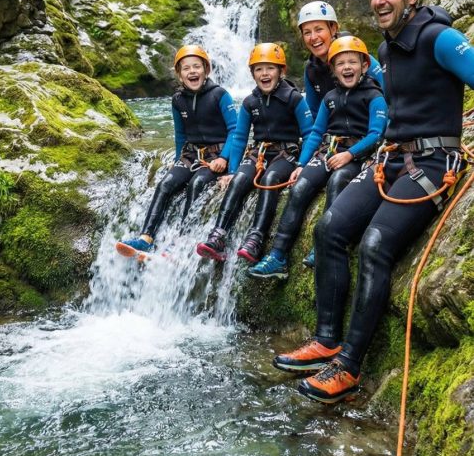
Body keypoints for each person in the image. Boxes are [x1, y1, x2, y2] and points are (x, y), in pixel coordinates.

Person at [273, 0, 474, 404]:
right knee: (329, 228)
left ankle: (348, 366)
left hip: (433, 162)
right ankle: (326, 340)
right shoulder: (385, 49)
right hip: (392, 159)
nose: (379, 1)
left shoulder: (440, 38)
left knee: (375, 244)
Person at [248, 35, 387, 279]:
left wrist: (350, 154)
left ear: (364, 66)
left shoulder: (374, 96)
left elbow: (376, 134)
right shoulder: (330, 98)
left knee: (338, 180)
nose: (346, 68)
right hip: (329, 151)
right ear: (332, 69)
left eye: (352, 62)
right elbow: (316, 133)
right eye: (340, 63)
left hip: (357, 155)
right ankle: (278, 255)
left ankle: (322, 244)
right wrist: (301, 164)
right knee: (300, 186)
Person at [195, 43, 313, 263]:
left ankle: (256, 237)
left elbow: (309, 134)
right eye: (259, 69)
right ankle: (218, 235)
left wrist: (302, 165)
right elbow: (240, 137)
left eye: (270, 68)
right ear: (252, 74)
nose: (264, 74)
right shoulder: (250, 102)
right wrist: (232, 170)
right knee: (240, 179)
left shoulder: (294, 99)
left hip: (286, 154)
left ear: (281, 71)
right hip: (259, 153)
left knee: (270, 178)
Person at [116, 45, 237, 257]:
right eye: (186, 68)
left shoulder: (220, 95)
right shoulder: (177, 100)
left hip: (215, 156)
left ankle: (180, 243)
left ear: (206, 70)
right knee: (165, 184)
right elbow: (180, 134)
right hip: (190, 155)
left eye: (197, 66)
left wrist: (226, 160)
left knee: (196, 184)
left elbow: (235, 130)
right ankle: (146, 238)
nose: (192, 71)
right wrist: (176, 161)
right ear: (180, 75)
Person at [298, 0, 384, 267]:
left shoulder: (358, 55)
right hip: (335, 139)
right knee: (302, 185)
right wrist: (307, 157)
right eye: (307, 32)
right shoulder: (312, 69)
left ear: (333, 29)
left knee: (338, 179)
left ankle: (327, 242)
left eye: (319, 30)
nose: (313, 37)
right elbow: (314, 115)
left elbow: (388, 96)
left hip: (366, 138)